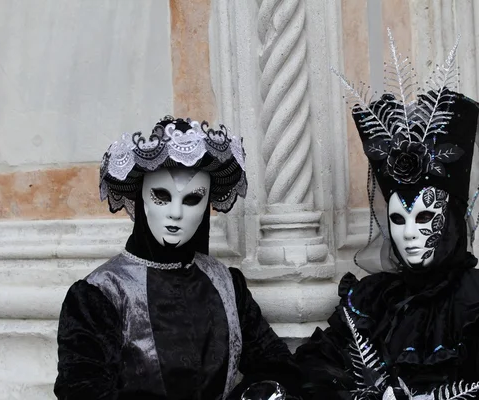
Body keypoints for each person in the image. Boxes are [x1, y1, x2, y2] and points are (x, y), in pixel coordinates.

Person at [293, 32, 479, 399]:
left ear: (450, 220)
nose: (409, 234)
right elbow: (314, 370)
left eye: (425, 218)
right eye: (398, 220)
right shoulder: (370, 302)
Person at [54, 116, 301, 400]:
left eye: (192, 199)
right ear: (141, 197)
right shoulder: (100, 295)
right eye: (161, 196)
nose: (176, 213)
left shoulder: (227, 284)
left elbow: (274, 362)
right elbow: (82, 389)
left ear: (207, 205)